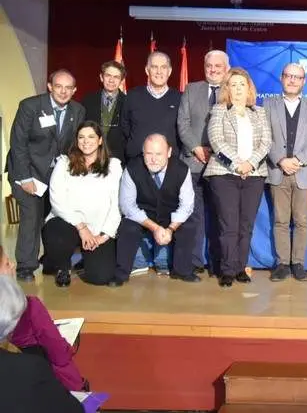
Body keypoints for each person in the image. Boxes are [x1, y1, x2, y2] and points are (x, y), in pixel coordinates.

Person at [6, 69, 86, 282]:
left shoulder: (77, 110)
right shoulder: (30, 106)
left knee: (52, 218)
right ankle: (26, 266)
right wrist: (25, 178)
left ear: (74, 90)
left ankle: (51, 261)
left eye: (68, 88)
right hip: (27, 171)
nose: (63, 91)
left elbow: (73, 145)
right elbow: (18, 143)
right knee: (32, 216)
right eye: (59, 86)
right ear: (50, 86)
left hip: (55, 175)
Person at [205, 67, 272, 288]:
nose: (237, 89)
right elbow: (216, 140)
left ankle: (241, 267)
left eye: (241, 85)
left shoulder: (259, 112)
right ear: (227, 89)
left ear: (249, 88)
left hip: (254, 174)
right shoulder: (219, 110)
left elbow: (266, 143)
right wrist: (237, 164)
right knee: (228, 225)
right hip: (224, 174)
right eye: (233, 85)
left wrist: (250, 163)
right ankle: (227, 269)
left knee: (246, 225)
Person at [110, 133, 199, 286]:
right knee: (127, 227)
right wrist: (155, 227)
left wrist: (170, 229)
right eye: (149, 153)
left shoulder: (182, 169)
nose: (153, 159)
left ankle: (182, 270)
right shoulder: (132, 168)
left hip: (170, 215)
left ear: (169, 152)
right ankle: (121, 274)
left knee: (189, 224)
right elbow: (127, 206)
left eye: (159, 154)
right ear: (143, 152)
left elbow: (187, 205)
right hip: (143, 216)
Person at [41, 121, 122, 287]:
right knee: (56, 231)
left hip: (97, 229)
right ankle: (62, 267)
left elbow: (116, 205)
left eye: (91, 136)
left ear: (100, 140)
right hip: (68, 225)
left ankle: (86, 259)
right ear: (76, 141)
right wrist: (82, 228)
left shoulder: (114, 166)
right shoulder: (64, 163)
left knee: (100, 277)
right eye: (81, 137)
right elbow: (56, 200)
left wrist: (104, 236)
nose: (86, 141)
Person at [265, 63, 307, 282]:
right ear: (281, 78)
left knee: (301, 221)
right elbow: (265, 136)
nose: (292, 80)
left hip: (304, 171)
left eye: (297, 77)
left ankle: (298, 263)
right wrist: (280, 160)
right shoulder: (268, 104)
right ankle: (282, 264)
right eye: (288, 76)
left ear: (304, 81)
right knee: (280, 220)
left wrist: (298, 160)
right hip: (278, 171)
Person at [0, 253, 87, 392]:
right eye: (6, 263)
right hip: (36, 379)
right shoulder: (29, 306)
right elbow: (58, 352)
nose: (13, 265)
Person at [178, 49, 230, 277]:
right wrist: (196, 148)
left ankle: (218, 263)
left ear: (226, 68)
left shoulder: (233, 91)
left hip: (222, 165)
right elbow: (183, 123)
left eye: (218, 66)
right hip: (193, 162)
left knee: (220, 216)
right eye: (209, 65)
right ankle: (195, 261)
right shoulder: (191, 89)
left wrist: (218, 152)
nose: (214, 69)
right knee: (194, 215)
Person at [121, 51, 181, 162]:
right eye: (154, 67)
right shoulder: (132, 95)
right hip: (136, 160)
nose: (159, 72)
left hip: (169, 163)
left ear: (170, 71)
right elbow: (125, 125)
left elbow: (182, 129)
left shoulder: (180, 98)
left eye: (163, 67)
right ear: (147, 70)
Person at [82, 60, 127, 162]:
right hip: (90, 158)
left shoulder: (128, 103)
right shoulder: (87, 100)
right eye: (108, 75)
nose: (111, 80)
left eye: (116, 77)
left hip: (118, 160)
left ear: (122, 81)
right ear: (101, 77)